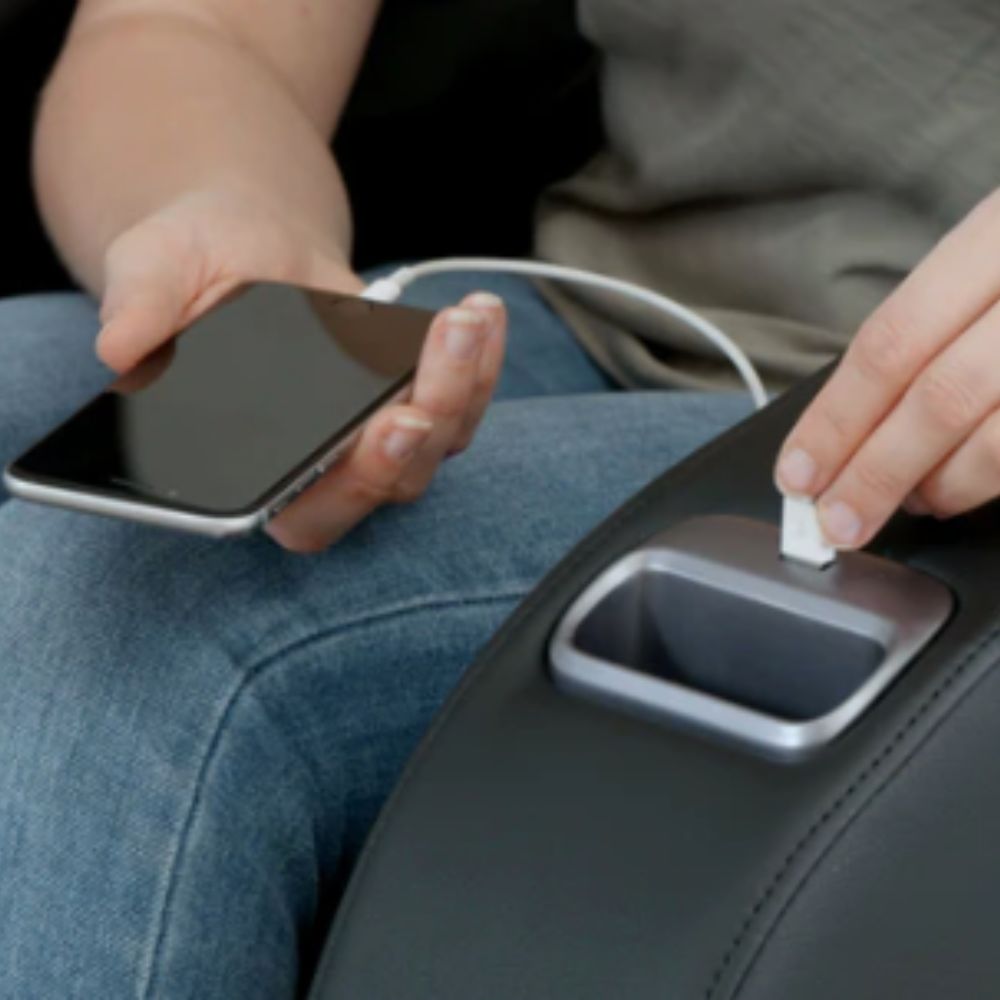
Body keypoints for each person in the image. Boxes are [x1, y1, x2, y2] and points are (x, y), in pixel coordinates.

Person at [0, 0, 995, 996]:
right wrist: (223, 206)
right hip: (615, 304)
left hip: (932, 435)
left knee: (126, 613)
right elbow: (198, 29)